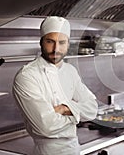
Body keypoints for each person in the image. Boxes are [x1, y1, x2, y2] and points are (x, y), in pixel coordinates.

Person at [12, 16, 98, 155]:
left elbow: (92, 109)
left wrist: (64, 109)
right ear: (41, 42)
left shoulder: (70, 71)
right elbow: (45, 126)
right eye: (50, 41)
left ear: (68, 44)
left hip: (74, 149)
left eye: (62, 42)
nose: (56, 49)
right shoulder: (27, 76)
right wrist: (77, 113)